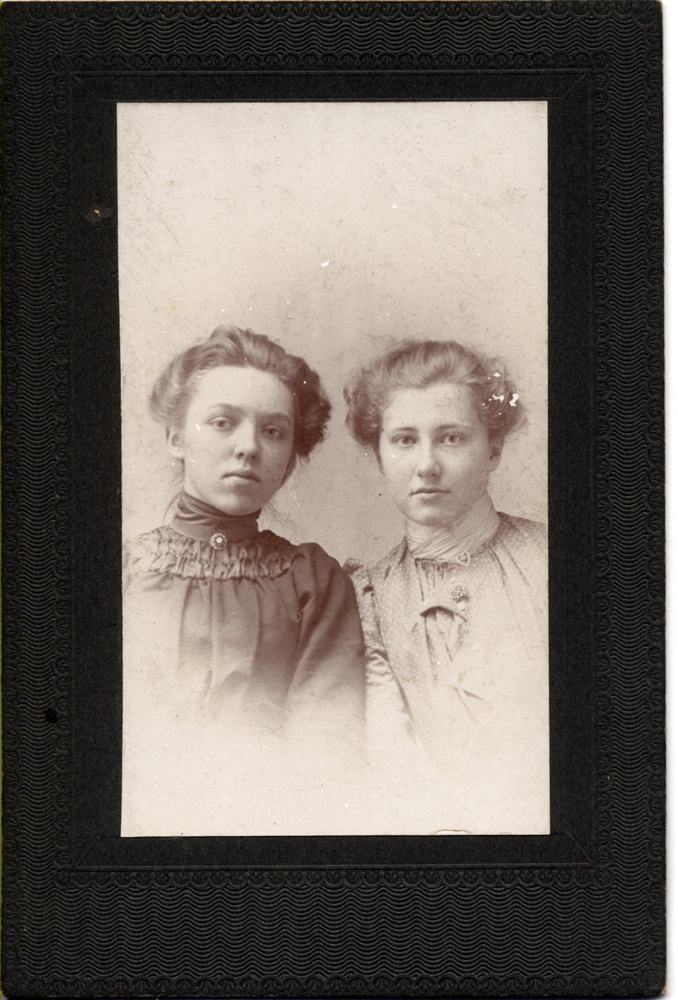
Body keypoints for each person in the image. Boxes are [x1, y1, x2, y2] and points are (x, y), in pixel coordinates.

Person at [122, 326, 365, 836]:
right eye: (222, 423)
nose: (248, 448)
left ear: (289, 460)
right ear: (175, 437)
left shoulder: (313, 581)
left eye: (273, 431)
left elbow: (326, 755)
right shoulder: (120, 569)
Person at [343, 338, 549, 835]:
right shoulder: (368, 596)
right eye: (404, 440)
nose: (426, 465)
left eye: (451, 438)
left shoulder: (553, 559)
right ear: (379, 456)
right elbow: (392, 765)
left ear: (493, 449)